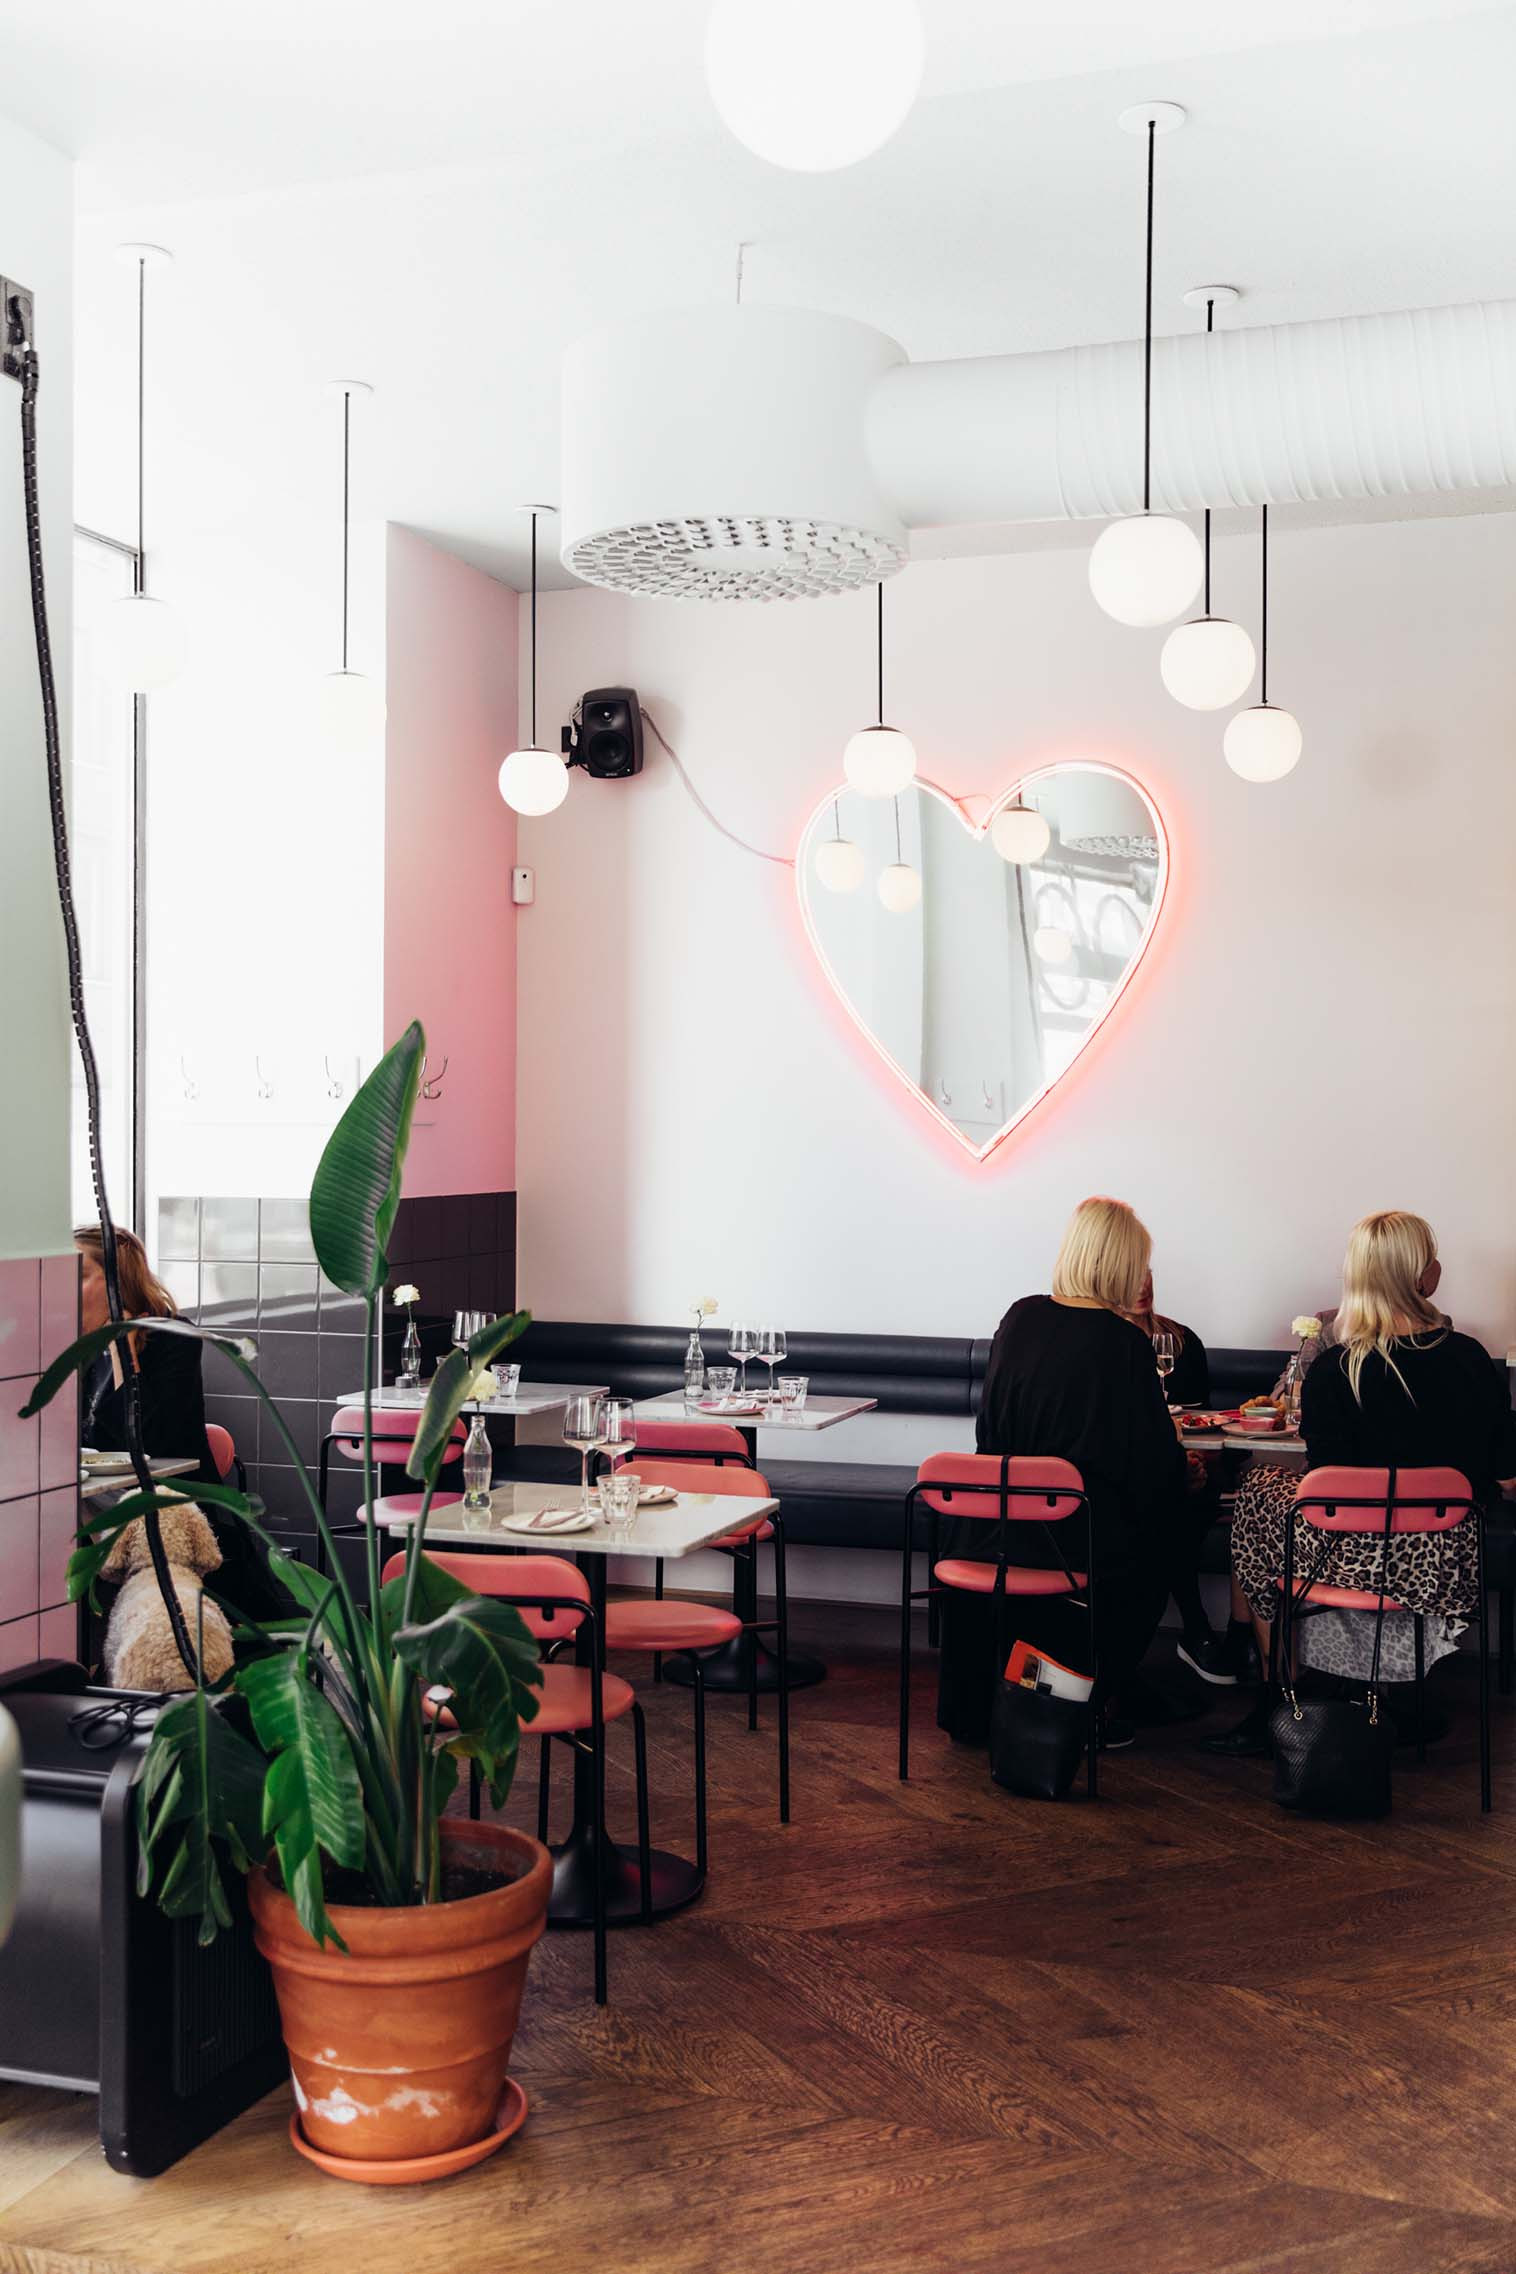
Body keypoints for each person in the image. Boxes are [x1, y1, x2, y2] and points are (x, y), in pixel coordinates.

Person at [1206, 1211, 1516, 1756]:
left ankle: (1279, 1699)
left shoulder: (1336, 1370)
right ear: (1422, 1276)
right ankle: (1372, 1699)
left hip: (1347, 1558)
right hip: (1442, 1563)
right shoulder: (1470, 1359)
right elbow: (1505, 1475)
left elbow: (1328, 1482)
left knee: (1259, 1493)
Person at [940, 1196, 1186, 1750]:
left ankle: (1006, 1700)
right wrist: (1184, 1470)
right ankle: (1095, 1700)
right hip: (1073, 1539)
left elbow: (991, 1429)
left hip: (987, 1529)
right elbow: (1148, 1466)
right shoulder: (1124, 1342)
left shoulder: (1019, 1317)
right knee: (1162, 1541)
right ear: (1122, 1264)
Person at [76, 1225, 291, 1623]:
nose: (65, 1287)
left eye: (79, 1274)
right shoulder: (75, 1346)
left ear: (116, 1282)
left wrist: (125, 1358)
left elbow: (153, 1441)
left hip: (171, 1510)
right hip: (97, 1510)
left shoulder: (173, 1336)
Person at [1123, 1275, 1239, 1687]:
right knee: (1168, 1501)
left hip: (1190, 1463)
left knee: (1184, 1495)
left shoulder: (1182, 1340)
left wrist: (1191, 1461)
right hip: (1136, 1469)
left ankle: (1195, 1633)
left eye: (1148, 1277)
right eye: (1133, 1276)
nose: (1142, 1287)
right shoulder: (1103, 1345)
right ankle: (1196, 1629)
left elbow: (1203, 1419)